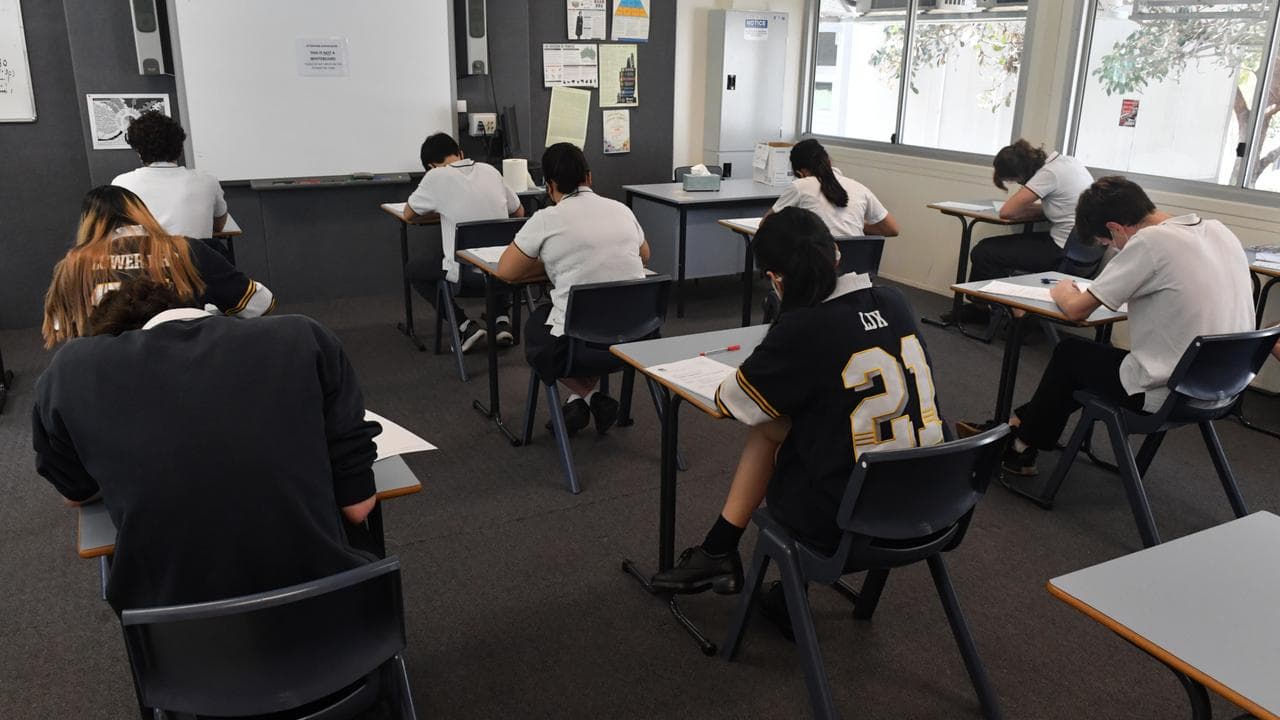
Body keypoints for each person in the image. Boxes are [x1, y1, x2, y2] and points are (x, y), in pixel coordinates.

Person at [33, 277, 379, 612]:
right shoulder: (304, 336)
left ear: (111, 340)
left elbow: (74, 492)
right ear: (197, 310)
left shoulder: (70, 371)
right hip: (333, 618)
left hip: (180, 641)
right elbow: (358, 508)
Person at [649, 207, 946, 597]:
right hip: (934, 505)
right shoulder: (895, 301)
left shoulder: (804, 328)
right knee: (799, 426)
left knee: (770, 428)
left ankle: (726, 554)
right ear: (837, 253)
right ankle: (720, 550)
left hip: (850, 519)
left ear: (775, 279)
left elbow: (735, 402)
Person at [968, 176, 1254, 477]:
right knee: (1085, 362)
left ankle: (1021, 445)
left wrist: (1062, 289)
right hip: (1225, 386)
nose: (1114, 248)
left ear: (1115, 228)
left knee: (1069, 355)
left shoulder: (1150, 241)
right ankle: (1020, 429)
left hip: (1173, 390)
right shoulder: (1220, 231)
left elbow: (1078, 309)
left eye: (1109, 243)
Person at [494, 142, 649, 436]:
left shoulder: (546, 219)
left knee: (538, 329)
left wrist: (553, 262)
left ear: (549, 185)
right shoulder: (621, 210)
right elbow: (645, 256)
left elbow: (506, 271)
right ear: (589, 178)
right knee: (575, 318)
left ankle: (589, 397)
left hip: (581, 346)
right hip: (636, 337)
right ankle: (582, 401)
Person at [41, 185, 274, 348]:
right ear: (141, 212)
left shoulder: (74, 263)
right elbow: (260, 304)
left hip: (106, 378)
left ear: (87, 222)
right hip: (188, 366)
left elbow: (60, 328)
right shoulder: (186, 249)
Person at [947, 139, 1093, 324]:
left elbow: (1007, 212)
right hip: (1084, 253)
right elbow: (1058, 207)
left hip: (1061, 252)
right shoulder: (1069, 162)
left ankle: (988, 310)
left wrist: (1017, 209)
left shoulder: (1048, 174)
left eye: (1016, 181)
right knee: (1004, 248)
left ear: (1022, 174)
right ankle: (1003, 309)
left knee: (984, 251)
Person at [403, 132, 525, 352]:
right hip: (505, 272)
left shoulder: (435, 177)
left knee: (414, 270)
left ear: (431, 166)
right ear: (460, 153)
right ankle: (501, 320)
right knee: (491, 247)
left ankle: (463, 325)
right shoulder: (490, 171)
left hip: (466, 277)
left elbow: (409, 214)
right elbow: (519, 211)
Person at [111, 111, 230, 242]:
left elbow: (117, 231)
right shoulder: (207, 181)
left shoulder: (122, 183)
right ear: (179, 147)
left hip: (148, 260)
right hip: (195, 260)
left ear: (139, 151)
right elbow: (219, 225)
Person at [769, 138, 900, 239]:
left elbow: (767, 224)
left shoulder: (800, 186)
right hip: (857, 271)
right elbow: (892, 229)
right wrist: (857, 225)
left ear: (800, 173)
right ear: (829, 163)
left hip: (817, 271)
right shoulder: (859, 188)